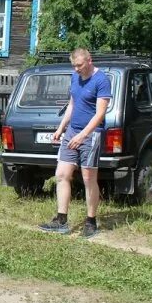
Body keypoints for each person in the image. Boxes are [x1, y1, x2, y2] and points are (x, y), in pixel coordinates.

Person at [39, 48, 112, 238]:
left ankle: (91, 221)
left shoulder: (101, 80)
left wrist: (83, 136)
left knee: (89, 179)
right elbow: (72, 104)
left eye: (79, 65)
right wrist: (61, 128)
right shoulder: (75, 77)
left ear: (89, 60)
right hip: (73, 131)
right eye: (74, 66)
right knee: (62, 174)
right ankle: (61, 220)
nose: (77, 69)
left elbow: (100, 114)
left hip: (91, 133)